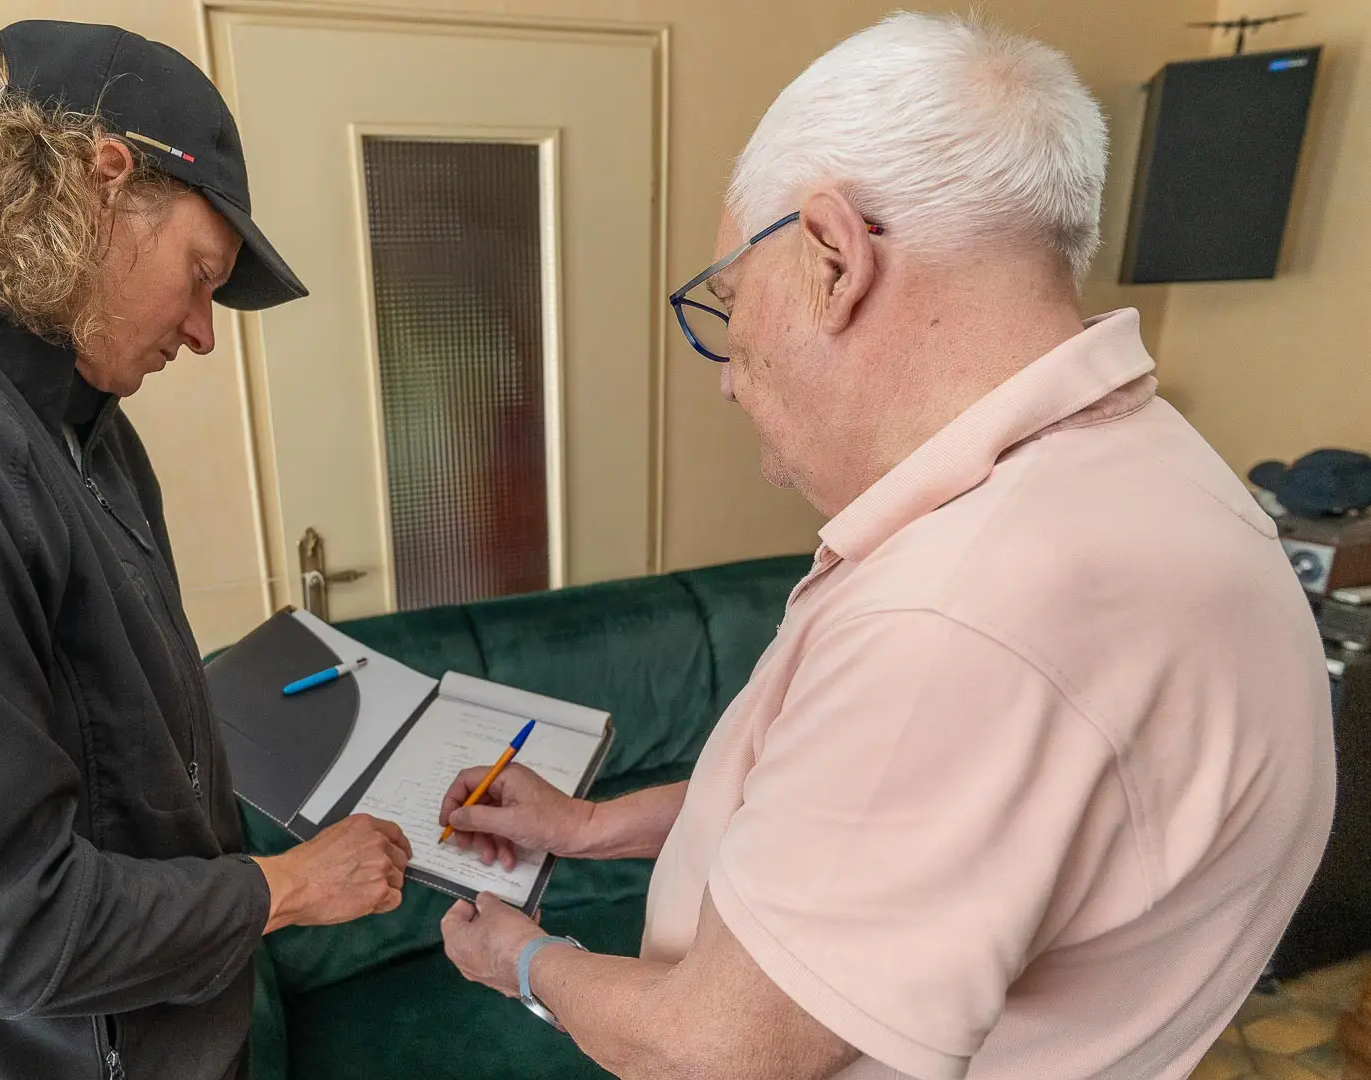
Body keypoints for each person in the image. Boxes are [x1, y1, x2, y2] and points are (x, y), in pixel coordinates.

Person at [437, 14, 1334, 1080]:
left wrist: (523, 961)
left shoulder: (962, 612)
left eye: (730, 301)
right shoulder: (1168, 473)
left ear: (832, 255)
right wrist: (589, 827)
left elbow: (709, 1055)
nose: (726, 376)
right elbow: (859, 824)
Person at [0, 20, 412, 1080]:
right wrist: (285, 889)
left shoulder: (77, 417)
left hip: (168, 1027)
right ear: (106, 184)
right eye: (201, 275)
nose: (202, 332)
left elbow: (108, 726)